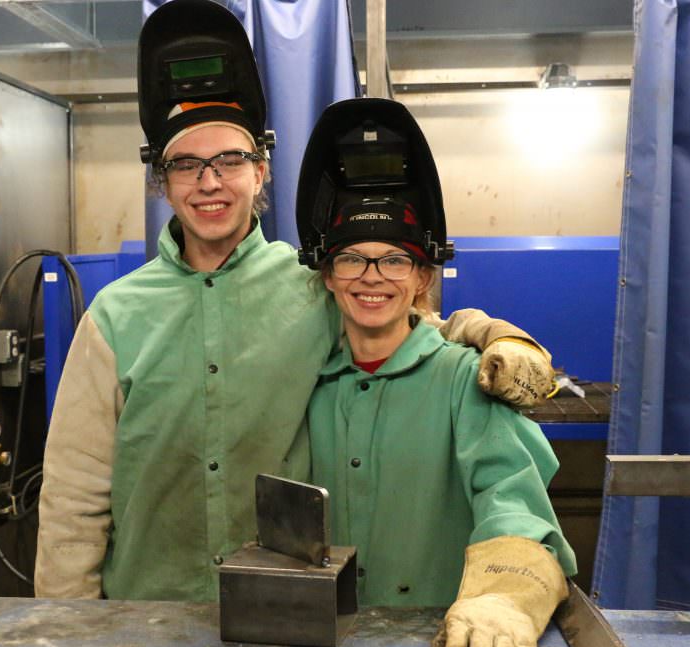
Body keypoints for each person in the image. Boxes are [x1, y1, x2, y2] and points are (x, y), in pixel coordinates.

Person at [35, 0, 555, 602]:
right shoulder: (114, 316)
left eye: (230, 159)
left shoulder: (312, 288)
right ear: (161, 179)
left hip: (280, 610)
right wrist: (69, 632)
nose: (209, 182)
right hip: (144, 614)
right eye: (186, 164)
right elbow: (75, 495)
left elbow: (414, 328)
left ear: (261, 171)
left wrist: (493, 333)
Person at [298, 97, 576, 647]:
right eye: (352, 259)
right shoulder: (301, 384)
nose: (372, 279)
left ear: (424, 276)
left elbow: (515, 506)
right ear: (327, 274)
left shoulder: (464, 382)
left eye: (395, 261)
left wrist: (501, 599)